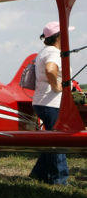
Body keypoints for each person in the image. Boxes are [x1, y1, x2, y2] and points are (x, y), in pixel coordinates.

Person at [29, 21, 72, 185]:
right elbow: (50, 69)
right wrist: (56, 86)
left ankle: (39, 173)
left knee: (51, 140)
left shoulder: (44, 51)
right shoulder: (54, 53)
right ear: (59, 36)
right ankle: (59, 180)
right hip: (51, 102)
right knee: (58, 141)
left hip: (41, 101)